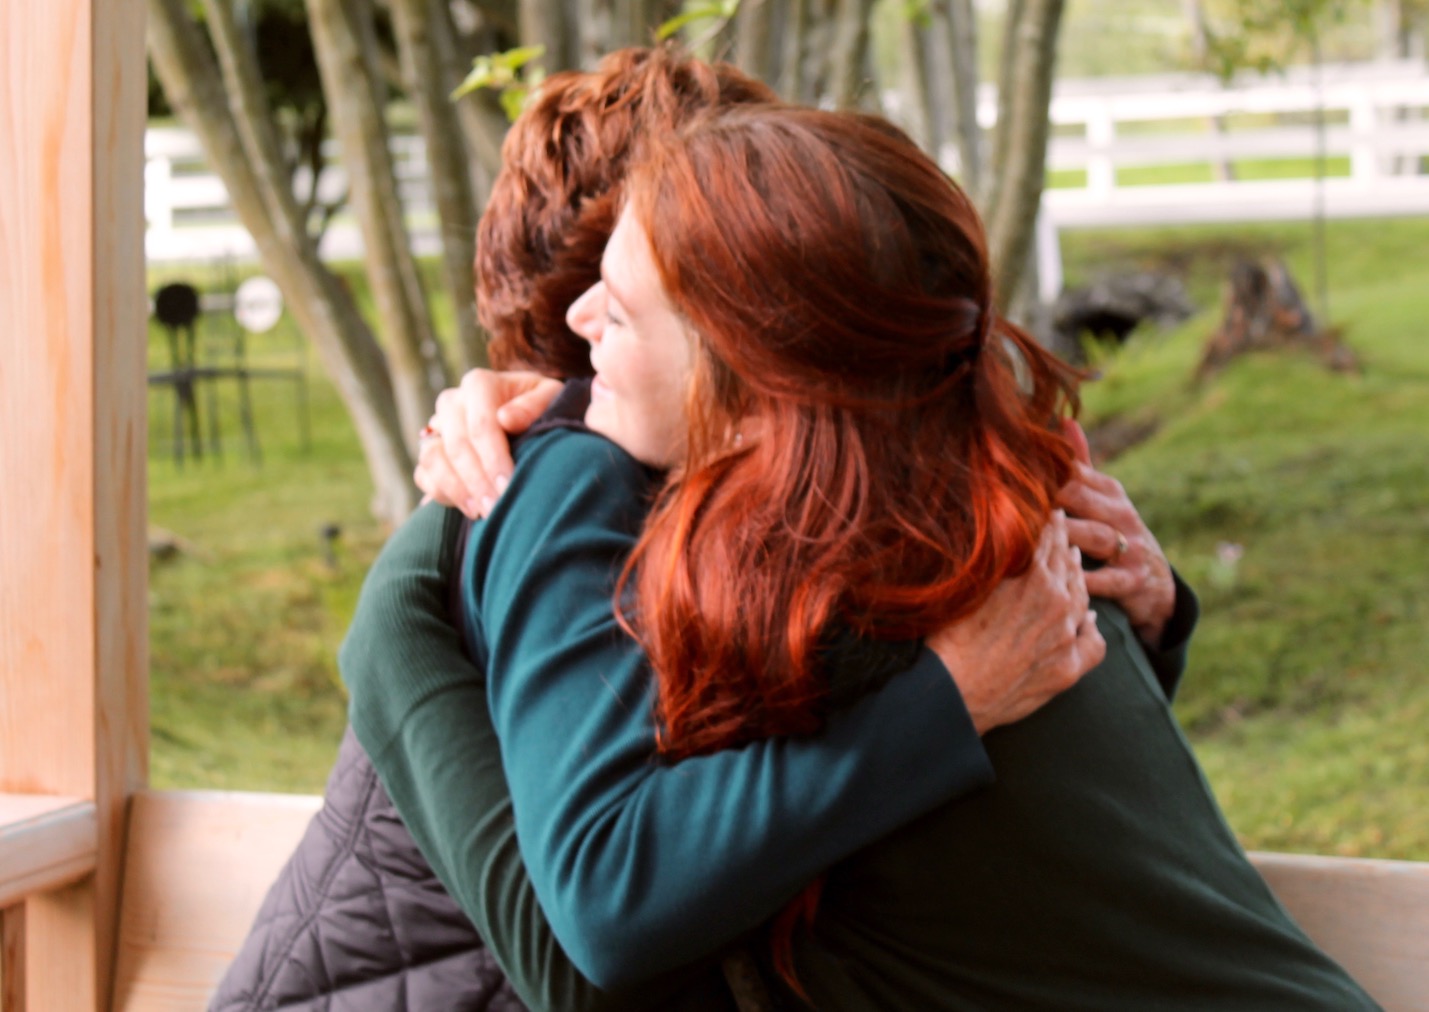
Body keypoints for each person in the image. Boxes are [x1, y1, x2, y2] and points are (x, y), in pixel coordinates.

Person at [214, 48, 1190, 1012]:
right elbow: (584, 958)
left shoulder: (753, 510)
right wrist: (395, 617)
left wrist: (1134, 621)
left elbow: (933, 813)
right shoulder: (571, 486)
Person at [348, 103, 1379, 1009]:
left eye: (616, 311)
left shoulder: (822, 594)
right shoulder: (972, 507)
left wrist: (420, 581)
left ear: (757, 385)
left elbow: (607, 914)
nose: (574, 336)